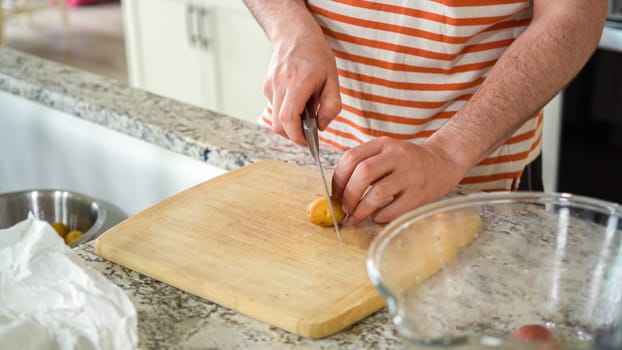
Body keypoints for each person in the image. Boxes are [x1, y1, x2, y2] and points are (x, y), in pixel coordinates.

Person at [243, 0, 608, 225]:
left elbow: (575, 13)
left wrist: (448, 152)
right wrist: (289, 26)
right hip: (308, 154)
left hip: (474, 182)